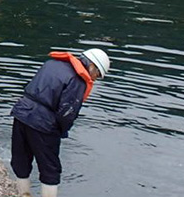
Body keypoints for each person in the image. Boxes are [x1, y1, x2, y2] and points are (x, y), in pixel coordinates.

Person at [10, 48, 111, 197]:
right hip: (43, 124)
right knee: (50, 169)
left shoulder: (53, 63)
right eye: (98, 74)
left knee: (21, 160)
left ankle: (23, 194)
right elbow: (67, 113)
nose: (95, 79)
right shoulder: (78, 80)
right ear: (92, 66)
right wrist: (61, 131)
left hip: (21, 112)